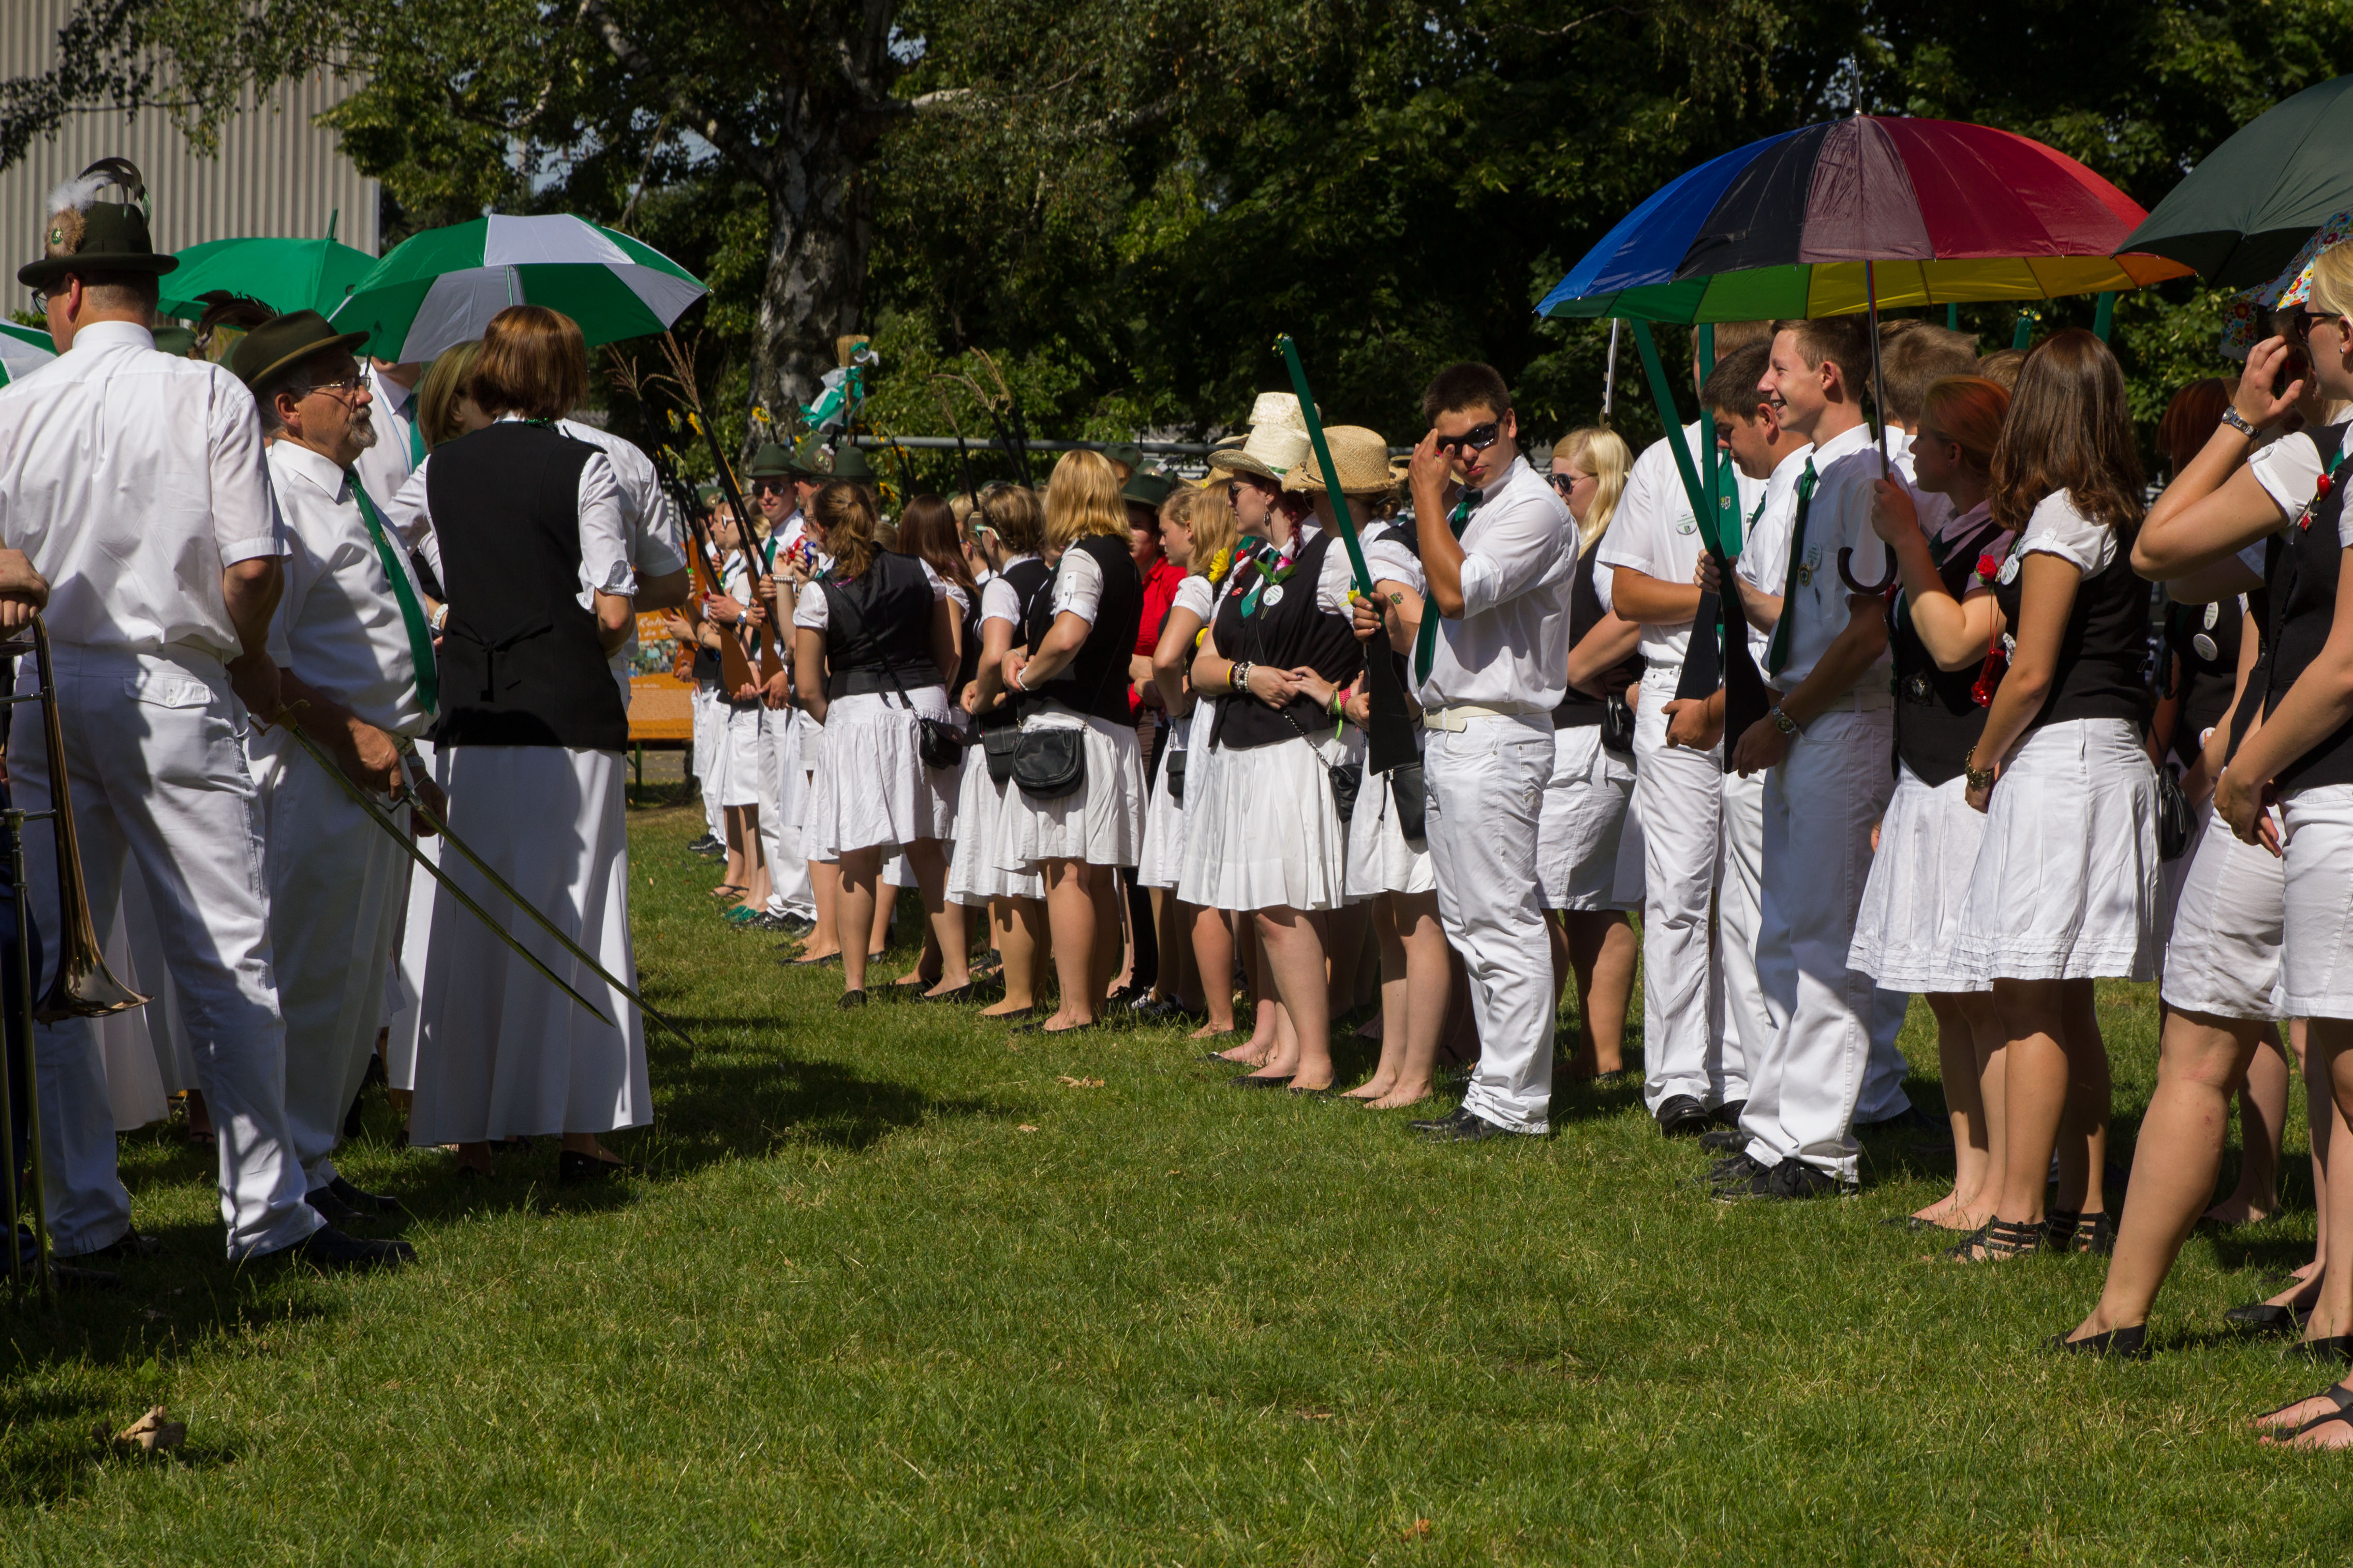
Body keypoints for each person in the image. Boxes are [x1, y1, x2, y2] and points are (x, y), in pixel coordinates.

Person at [0, 161, 397, 1265]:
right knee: (225, 959)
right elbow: (256, 565)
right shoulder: (208, 392)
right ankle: (265, 1216)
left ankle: (86, 1221)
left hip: (45, 686)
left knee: (59, 974)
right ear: (141, 288)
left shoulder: (15, 406)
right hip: (171, 681)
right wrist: (245, 654)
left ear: (69, 292)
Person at [2058, 311, 2341, 1364]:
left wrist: (2239, 421)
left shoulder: (2313, 459)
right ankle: (2124, 1309)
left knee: (2316, 1052)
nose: (2281, 342)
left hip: (2290, 780)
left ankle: (2318, 1295)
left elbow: (2155, 549)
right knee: (2226, 1040)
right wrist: (2243, 426)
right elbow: (2170, 567)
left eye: (2300, 324)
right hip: (2268, 783)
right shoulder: (2306, 462)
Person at [405, 305, 649, 1183]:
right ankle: (580, 1130)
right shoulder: (586, 466)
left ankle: (471, 1132)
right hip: (565, 711)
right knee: (579, 908)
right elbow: (613, 610)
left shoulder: (440, 465)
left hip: (474, 712)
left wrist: (443, 611)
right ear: (565, 378)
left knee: (474, 912)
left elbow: (383, 541)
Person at [1940, 329, 2157, 1260]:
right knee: (2065, 997)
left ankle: (2021, 1213)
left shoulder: (2061, 517)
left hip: (2063, 761)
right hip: (2104, 757)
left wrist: (1980, 762)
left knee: (2028, 993)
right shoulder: (2121, 510)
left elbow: (2028, 672)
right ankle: (2085, 1201)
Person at [234, 310, 445, 1231]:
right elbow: (257, 665)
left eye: (357, 377)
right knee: (314, 973)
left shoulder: (346, 491)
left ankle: (313, 1158)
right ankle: (283, 1173)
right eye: (341, 384)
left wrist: (403, 752)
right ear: (288, 408)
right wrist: (352, 735)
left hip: (374, 766)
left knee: (357, 979)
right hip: (317, 768)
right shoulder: (279, 497)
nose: (363, 395)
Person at [1705, 315, 1901, 1202]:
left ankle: (1818, 1146)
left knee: (1823, 939)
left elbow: (1864, 636)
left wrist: (1783, 722)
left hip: (1840, 721)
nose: (1764, 385)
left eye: (1778, 369)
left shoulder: (1865, 478)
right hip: (1803, 717)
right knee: (1782, 932)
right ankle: (1776, 1126)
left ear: (1827, 375)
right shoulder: (1821, 477)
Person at [1379, 363, 1576, 1141]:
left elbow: (1458, 594)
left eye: (1480, 436)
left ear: (1510, 423)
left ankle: (1514, 1102)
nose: (1466, 454)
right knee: (1467, 922)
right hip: (1453, 728)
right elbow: (1446, 618)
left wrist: (1425, 497)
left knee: (1500, 921)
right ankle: (1495, 1089)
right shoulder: (1473, 509)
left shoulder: (1532, 508)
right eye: (1449, 443)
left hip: (1497, 731)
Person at [1599, 321, 1772, 1139]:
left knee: (1748, 890)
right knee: (1677, 888)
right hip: (1677, 678)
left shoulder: (1782, 461)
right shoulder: (1664, 459)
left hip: (1763, 682)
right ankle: (1675, 1077)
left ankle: (1740, 1070)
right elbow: (1625, 593)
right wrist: (1704, 593)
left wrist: (1741, 595)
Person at [1853, 375, 2016, 1231]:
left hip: (1970, 782)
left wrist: (1907, 543)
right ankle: (1967, 1177)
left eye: (1921, 437)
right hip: (1922, 777)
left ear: (1955, 452)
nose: (1908, 448)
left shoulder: (2006, 537)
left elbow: (1956, 645)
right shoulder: (1952, 527)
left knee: (1982, 996)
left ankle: (2006, 1184)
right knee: (1945, 998)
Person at [1183, 426, 1377, 1093]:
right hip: (1246, 748)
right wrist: (1245, 675)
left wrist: (1337, 695)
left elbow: (1375, 634)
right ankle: (1293, 1047)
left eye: (1235, 487)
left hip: (1297, 750)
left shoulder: (1329, 555)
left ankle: (1316, 1058)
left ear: (1270, 491)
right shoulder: (1248, 563)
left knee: (1283, 907)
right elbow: (1201, 665)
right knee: (1272, 907)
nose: (1226, 499)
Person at [791, 482, 964, 1008]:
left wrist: (840, 723)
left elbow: (807, 687)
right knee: (927, 846)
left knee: (858, 853)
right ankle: (958, 972)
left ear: (824, 529)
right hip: (922, 709)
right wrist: (930, 702)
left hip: (858, 715)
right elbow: (948, 654)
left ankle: (855, 983)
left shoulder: (818, 593)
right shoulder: (920, 570)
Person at [1000, 450, 1147, 1036]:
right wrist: (1029, 652)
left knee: (1066, 873)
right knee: (1096, 873)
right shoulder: (1122, 559)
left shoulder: (1083, 557)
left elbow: (1068, 635)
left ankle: (1074, 1009)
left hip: (1070, 728)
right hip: (1107, 727)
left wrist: (1027, 675)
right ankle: (1092, 1005)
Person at [1341, 467, 1452, 1108]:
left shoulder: (1404, 546)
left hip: (1420, 743)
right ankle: (1390, 1064)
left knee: (1418, 916)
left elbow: (1425, 636)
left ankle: (1418, 1073)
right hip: (1388, 741)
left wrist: (1404, 695)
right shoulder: (1393, 543)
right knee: (1388, 913)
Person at [1542, 426, 1642, 1082]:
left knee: (1547, 895)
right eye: (1549, 480)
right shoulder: (1581, 545)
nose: (1555, 492)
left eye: (1565, 482)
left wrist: (1564, 670)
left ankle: (1539, 1051)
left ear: (1602, 482)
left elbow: (1631, 618)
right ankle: (1596, 1054)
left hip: (1589, 741)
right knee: (1584, 901)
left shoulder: (1610, 552)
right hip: (1572, 738)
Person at [947, 482, 1053, 1018]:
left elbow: (993, 655)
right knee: (1040, 875)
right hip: (1044, 733)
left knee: (1008, 877)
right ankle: (1039, 986)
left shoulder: (1002, 586)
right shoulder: (1053, 577)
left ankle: (1018, 993)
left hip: (1003, 741)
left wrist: (982, 693)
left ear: (991, 536)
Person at [1134, 484, 1221, 1023]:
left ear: (1190, 529)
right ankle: (1182, 988)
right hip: (1209, 727)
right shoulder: (1226, 579)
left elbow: (1166, 660)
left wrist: (1174, 704)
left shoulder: (1196, 584)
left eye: (1165, 530)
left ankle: (1187, 993)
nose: (1161, 540)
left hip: (1191, 731)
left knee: (1181, 867)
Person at [889, 492, 980, 997]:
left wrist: (934, 701)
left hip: (947, 722)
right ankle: (933, 958)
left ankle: (951, 967)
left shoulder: (944, 585)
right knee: (937, 847)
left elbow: (953, 654)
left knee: (936, 846)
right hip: (952, 716)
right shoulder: (952, 578)